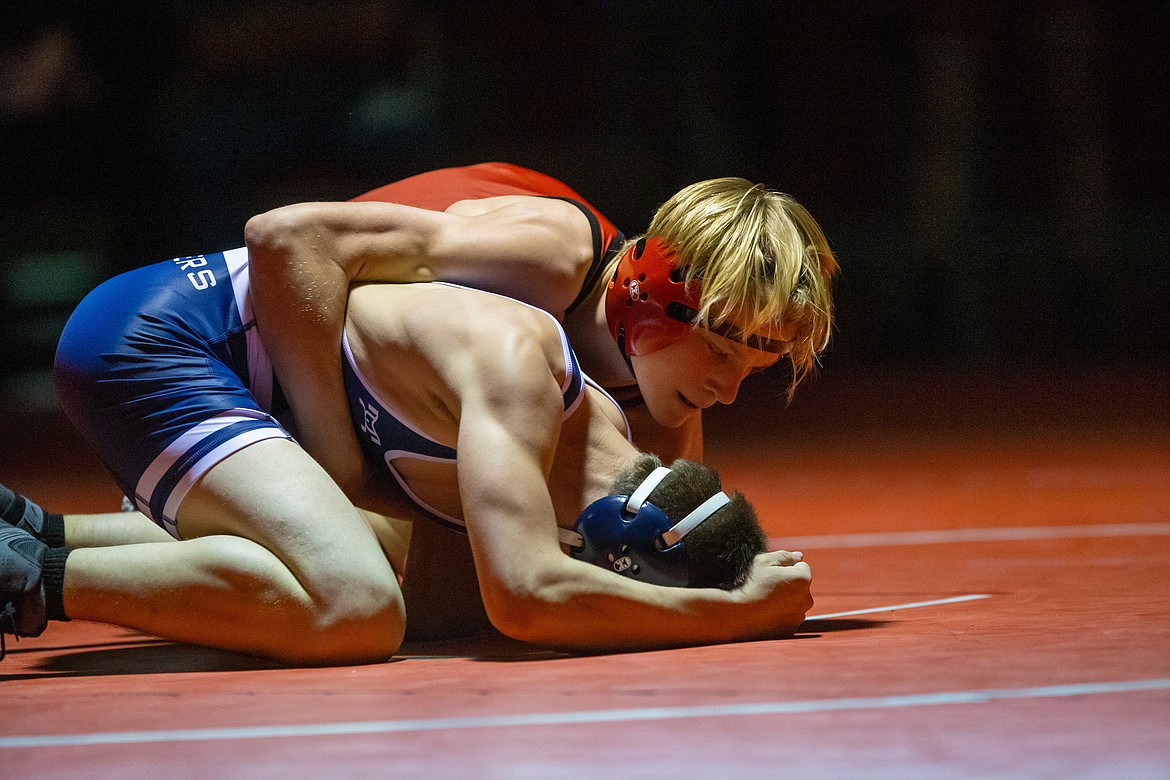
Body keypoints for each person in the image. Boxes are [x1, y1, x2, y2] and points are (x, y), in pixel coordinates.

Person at [2, 245, 812, 664]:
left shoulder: (581, 453)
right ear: (614, 555)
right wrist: (730, 616)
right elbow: (528, 598)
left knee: (392, 564)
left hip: (203, 352)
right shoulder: (525, 377)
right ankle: (28, 579)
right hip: (164, 338)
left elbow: (462, 608)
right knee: (355, 606)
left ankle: (41, 533)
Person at [245, 162, 839, 480]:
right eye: (722, 354)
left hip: (318, 386)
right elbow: (287, 238)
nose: (729, 393)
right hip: (247, 337)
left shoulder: (664, 402)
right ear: (655, 296)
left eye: (753, 370)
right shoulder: (554, 257)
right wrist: (338, 466)